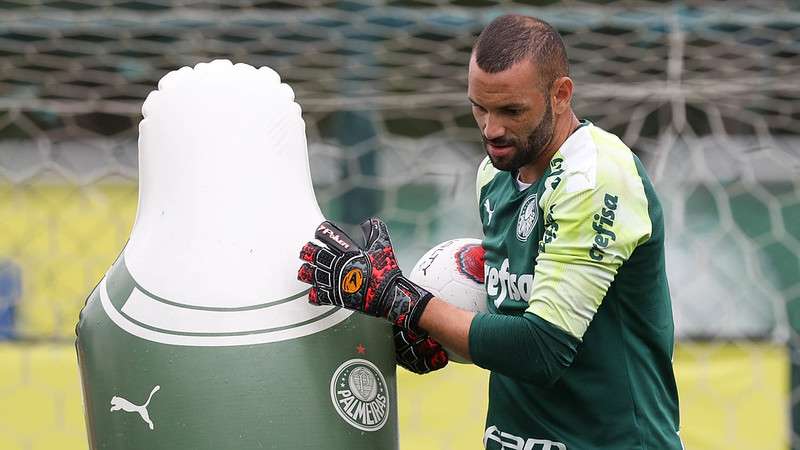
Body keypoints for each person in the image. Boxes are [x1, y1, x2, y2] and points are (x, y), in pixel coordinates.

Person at [297, 14, 682, 450]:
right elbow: (510, 318)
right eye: (479, 107)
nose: (491, 129)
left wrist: (403, 300)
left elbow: (542, 348)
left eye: (511, 110)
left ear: (560, 95)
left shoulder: (593, 179)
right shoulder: (495, 176)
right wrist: (430, 333)